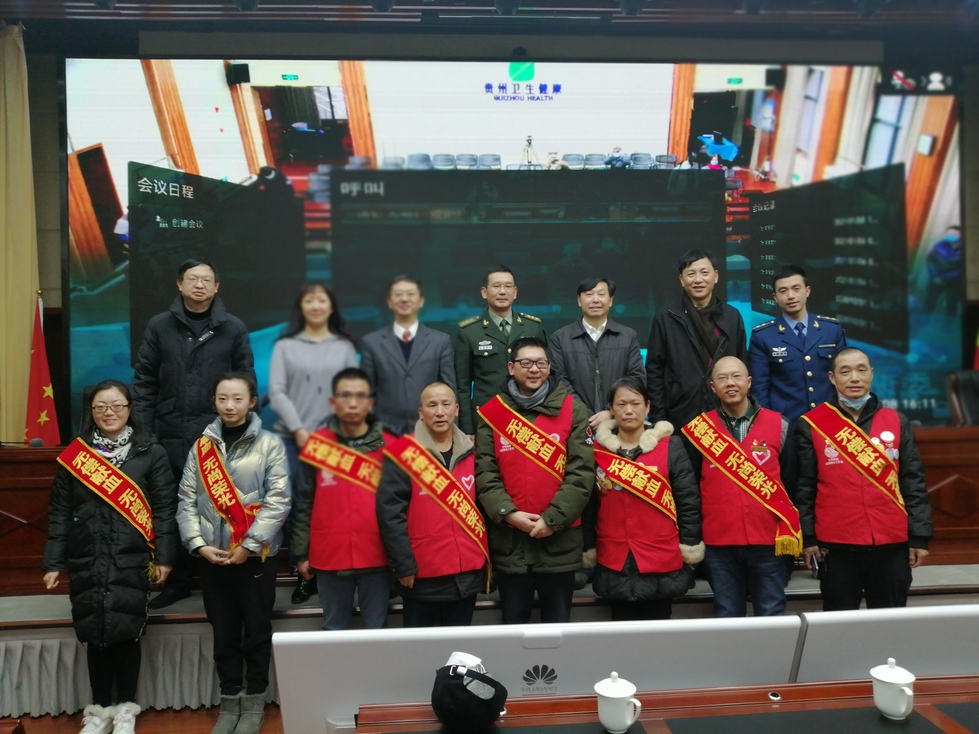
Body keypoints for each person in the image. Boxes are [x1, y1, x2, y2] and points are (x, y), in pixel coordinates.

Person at [43, 380, 177, 734]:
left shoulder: (150, 452)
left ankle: (126, 710)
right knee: (94, 629)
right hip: (87, 555)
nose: (109, 413)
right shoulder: (76, 455)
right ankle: (99, 710)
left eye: (117, 405)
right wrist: (54, 561)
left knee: (126, 630)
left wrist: (165, 557)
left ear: (130, 409)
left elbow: (165, 509)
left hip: (131, 556)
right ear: (91, 412)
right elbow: (59, 511)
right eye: (101, 407)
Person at [133, 257, 255, 609]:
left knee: (221, 504)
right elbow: (144, 381)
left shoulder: (233, 328)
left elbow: (246, 381)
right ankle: (178, 581)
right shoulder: (159, 326)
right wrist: (144, 433)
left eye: (206, 280)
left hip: (218, 436)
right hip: (169, 433)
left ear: (216, 286)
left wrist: (243, 433)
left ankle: (223, 578)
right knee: (174, 506)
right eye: (192, 279)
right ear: (179, 284)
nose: (199, 285)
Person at [176, 372, 290, 734]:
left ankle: (255, 700)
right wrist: (198, 544)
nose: (229, 405)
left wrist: (249, 545)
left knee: (256, 631)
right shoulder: (201, 447)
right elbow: (186, 500)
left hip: (255, 558)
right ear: (214, 401)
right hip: (213, 558)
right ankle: (229, 701)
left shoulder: (270, 444)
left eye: (238, 398)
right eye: (223, 398)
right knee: (223, 633)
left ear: (252, 402)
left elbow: (279, 500)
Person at [795, 347, 933, 611]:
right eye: (845, 372)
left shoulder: (896, 421)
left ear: (872, 373)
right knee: (839, 622)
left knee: (889, 621)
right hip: (837, 543)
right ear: (832, 378)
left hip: (891, 541)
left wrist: (919, 536)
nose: (854, 378)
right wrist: (808, 537)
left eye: (861, 370)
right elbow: (804, 486)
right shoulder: (812, 425)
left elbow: (913, 481)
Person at [475, 336, 594, 624]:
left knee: (558, 629)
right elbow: (485, 473)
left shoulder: (572, 408)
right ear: (511, 368)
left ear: (549, 367)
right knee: (513, 627)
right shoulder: (492, 412)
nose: (534, 369)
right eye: (526, 363)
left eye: (541, 363)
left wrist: (552, 519)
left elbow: (581, 473)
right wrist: (509, 513)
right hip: (510, 542)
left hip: (559, 540)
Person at [681, 357, 801, 617]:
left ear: (749, 382)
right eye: (722, 378)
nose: (730, 383)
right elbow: (691, 486)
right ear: (713, 387)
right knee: (726, 614)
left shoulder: (780, 424)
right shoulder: (699, 430)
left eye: (736, 376)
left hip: (768, 539)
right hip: (719, 542)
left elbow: (790, 480)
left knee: (771, 612)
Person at [268, 282, 358, 603]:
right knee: (297, 505)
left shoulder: (344, 346)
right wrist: (300, 430)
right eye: (310, 300)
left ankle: (334, 568)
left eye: (322, 300)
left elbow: (351, 391)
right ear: (301, 306)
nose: (316, 305)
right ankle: (303, 573)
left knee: (333, 505)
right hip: (292, 440)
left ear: (331, 306)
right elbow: (276, 392)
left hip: (335, 440)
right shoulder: (285, 346)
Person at [376, 382, 488, 627]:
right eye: (432, 405)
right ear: (421, 412)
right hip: (422, 574)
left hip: (466, 572)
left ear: (456, 410)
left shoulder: (474, 452)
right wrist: (404, 565)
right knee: (420, 647)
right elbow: (390, 515)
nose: (439, 412)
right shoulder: (403, 455)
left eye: (446, 405)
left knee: (459, 648)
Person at [592, 377, 703, 621]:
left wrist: (689, 545)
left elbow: (688, 501)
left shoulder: (670, 446)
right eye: (621, 404)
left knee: (659, 634)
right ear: (611, 409)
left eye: (635, 403)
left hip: (661, 556)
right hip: (615, 556)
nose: (628, 410)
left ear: (648, 407)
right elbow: (590, 506)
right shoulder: (597, 450)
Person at [291, 367, 392, 631]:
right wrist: (301, 553)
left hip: (378, 555)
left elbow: (401, 506)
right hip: (329, 554)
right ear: (333, 402)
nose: (353, 403)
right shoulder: (317, 446)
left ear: (370, 403)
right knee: (334, 631)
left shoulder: (390, 446)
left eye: (360, 396)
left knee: (377, 632)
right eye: (345, 395)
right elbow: (303, 503)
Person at [644, 248, 747, 447]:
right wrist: (659, 417)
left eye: (704, 273)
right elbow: (654, 370)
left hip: (725, 410)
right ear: (681, 280)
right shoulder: (666, 317)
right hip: (680, 412)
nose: (698, 279)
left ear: (715, 276)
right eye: (691, 274)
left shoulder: (732, 316)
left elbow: (743, 363)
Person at [748, 265, 847, 423]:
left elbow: (843, 376)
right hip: (787, 423)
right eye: (783, 291)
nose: (791, 296)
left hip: (828, 419)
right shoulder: (763, 336)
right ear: (775, 297)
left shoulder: (831, 329)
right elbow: (759, 388)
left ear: (807, 291)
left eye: (796, 289)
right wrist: (769, 424)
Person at [455, 266, 545, 436]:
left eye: (508, 286)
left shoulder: (533, 326)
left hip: (529, 416)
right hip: (487, 420)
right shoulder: (469, 332)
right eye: (496, 286)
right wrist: (467, 428)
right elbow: (463, 386)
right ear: (484, 292)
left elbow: (546, 373)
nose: (502, 291)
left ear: (515, 292)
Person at [361, 275, 456, 436]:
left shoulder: (440, 341)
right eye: (398, 294)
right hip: (384, 432)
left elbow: (450, 390)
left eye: (410, 294)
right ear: (389, 301)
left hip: (430, 431)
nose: (404, 299)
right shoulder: (371, 343)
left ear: (421, 301)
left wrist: (452, 433)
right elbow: (366, 393)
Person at [549, 277, 645, 435]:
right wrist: (585, 413)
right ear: (579, 300)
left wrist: (611, 411)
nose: (595, 300)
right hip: (575, 422)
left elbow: (636, 377)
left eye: (601, 294)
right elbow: (558, 380)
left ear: (610, 300)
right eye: (589, 294)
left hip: (619, 423)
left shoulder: (628, 336)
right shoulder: (560, 338)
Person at [922, 225, 963, 317]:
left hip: (954, 282)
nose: (951, 235)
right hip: (936, 279)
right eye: (949, 233)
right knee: (929, 302)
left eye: (955, 234)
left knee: (951, 305)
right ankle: (924, 320)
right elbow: (930, 260)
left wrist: (945, 277)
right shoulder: (939, 245)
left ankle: (947, 324)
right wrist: (935, 276)